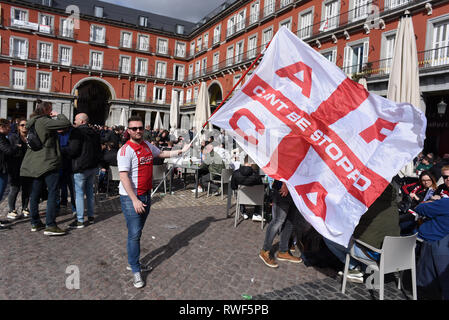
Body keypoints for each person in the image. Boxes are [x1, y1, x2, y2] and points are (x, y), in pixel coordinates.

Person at [117, 116, 190, 288]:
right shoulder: (125, 151)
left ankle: (134, 261)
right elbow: (123, 176)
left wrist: (180, 151)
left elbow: (162, 153)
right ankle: (135, 269)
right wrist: (134, 200)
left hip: (146, 195)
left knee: (138, 232)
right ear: (128, 131)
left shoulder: (147, 145)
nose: (137, 131)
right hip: (131, 198)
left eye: (140, 128)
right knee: (134, 233)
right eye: (133, 128)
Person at [324, 183, 400, 282]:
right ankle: (364, 268)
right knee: (367, 239)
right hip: (395, 255)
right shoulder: (393, 205)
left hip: (375, 255)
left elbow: (353, 230)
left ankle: (354, 268)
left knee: (329, 238)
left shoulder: (367, 206)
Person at [20, 101, 72, 235]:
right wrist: (58, 114)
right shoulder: (44, 121)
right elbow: (66, 123)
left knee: (35, 194)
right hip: (48, 162)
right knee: (53, 192)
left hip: (36, 163)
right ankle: (50, 225)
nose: (51, 111)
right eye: (50, 109)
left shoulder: (33, 121)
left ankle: (35, 222)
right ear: (46, 110)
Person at [62, 113, 101, 229]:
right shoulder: (94, 132)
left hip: (80, 167)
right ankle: (90, 216)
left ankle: (80, 220)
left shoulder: (77, 132)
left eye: (76, 120)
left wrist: (63, 149)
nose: (74, 121)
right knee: (89, 192)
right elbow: (98, 150)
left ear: (82, 121)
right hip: (92, 167)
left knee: (79, 194)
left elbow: (73, 150)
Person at [259, 180, 303, 268]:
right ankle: (265, 251)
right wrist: (284, 183)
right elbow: (282, 167)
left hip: (294, 190)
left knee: (290, 222)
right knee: (278, 221)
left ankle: (283, 251)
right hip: (283, 188)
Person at [6, 118, 32, 220]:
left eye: (26, 125)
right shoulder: (13, 137)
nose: (24, 127)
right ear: (18, 127)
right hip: (15, 166)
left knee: (26, 189)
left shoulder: (31, 137)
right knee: (14, 188)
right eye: (22, 125)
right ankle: (11, 210)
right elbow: (10, 151)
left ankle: (25, 208)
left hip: (28, 166)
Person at [230, 156, 264, 221]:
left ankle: (243, 212)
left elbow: (233, 187)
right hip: (255, 199)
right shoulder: (257, 175)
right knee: (260, 193)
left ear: (244, 162)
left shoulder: (235, 173)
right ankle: (256, 213)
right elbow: (261, 187)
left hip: (242, 198)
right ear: (251, 163)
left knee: (239, 192)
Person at [0, 118, 17, 228]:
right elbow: (8, 150)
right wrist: (16, 147)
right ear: (2, 127)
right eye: (8, 127)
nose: (10, 129)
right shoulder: (0, 137)